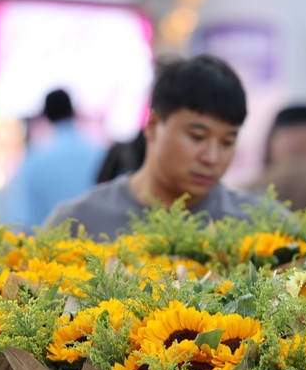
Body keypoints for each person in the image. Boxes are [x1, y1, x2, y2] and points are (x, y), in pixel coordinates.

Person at [46, 55, 261, 238]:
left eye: (227, 142)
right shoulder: (78, 223)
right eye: (197, 136)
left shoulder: (262, 227)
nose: (212, 157)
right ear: (153, 125)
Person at [6, 89, 106, 230]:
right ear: (72, 111)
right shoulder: (100, 155)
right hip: (100, 247)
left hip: (48, 248)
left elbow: (23, 221)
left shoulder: (33, 162)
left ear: (46, 116)